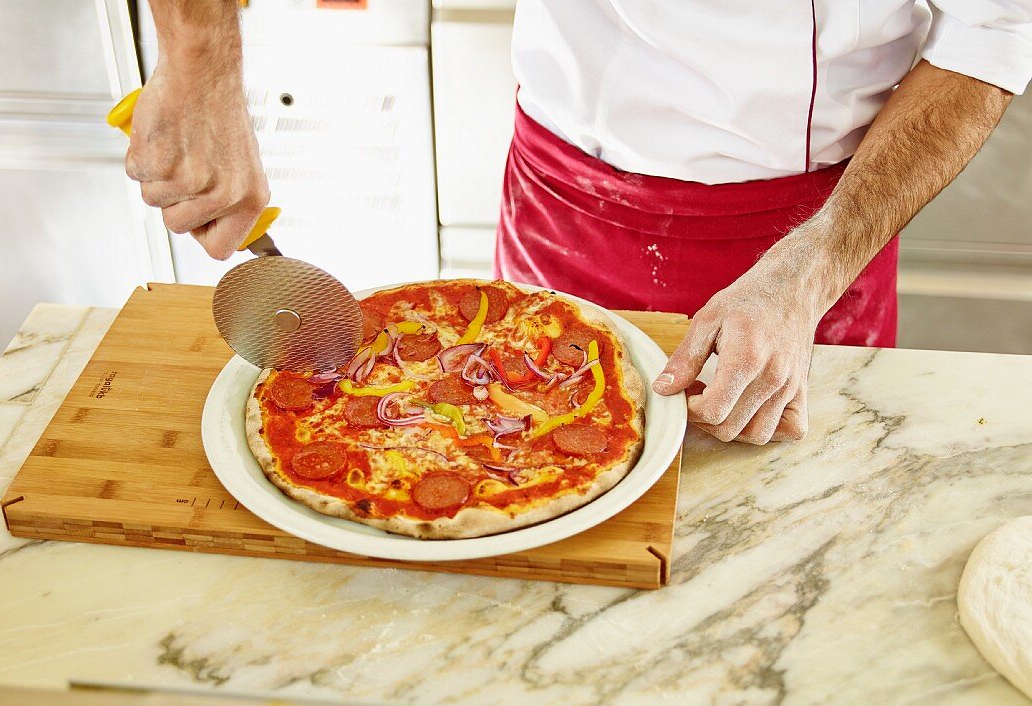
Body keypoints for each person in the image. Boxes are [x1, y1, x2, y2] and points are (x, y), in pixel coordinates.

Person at [125, 0, 1031, 445]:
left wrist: (814, 267)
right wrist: (199, 63)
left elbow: (989, 33)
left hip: (812, 232)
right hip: (562, 186)